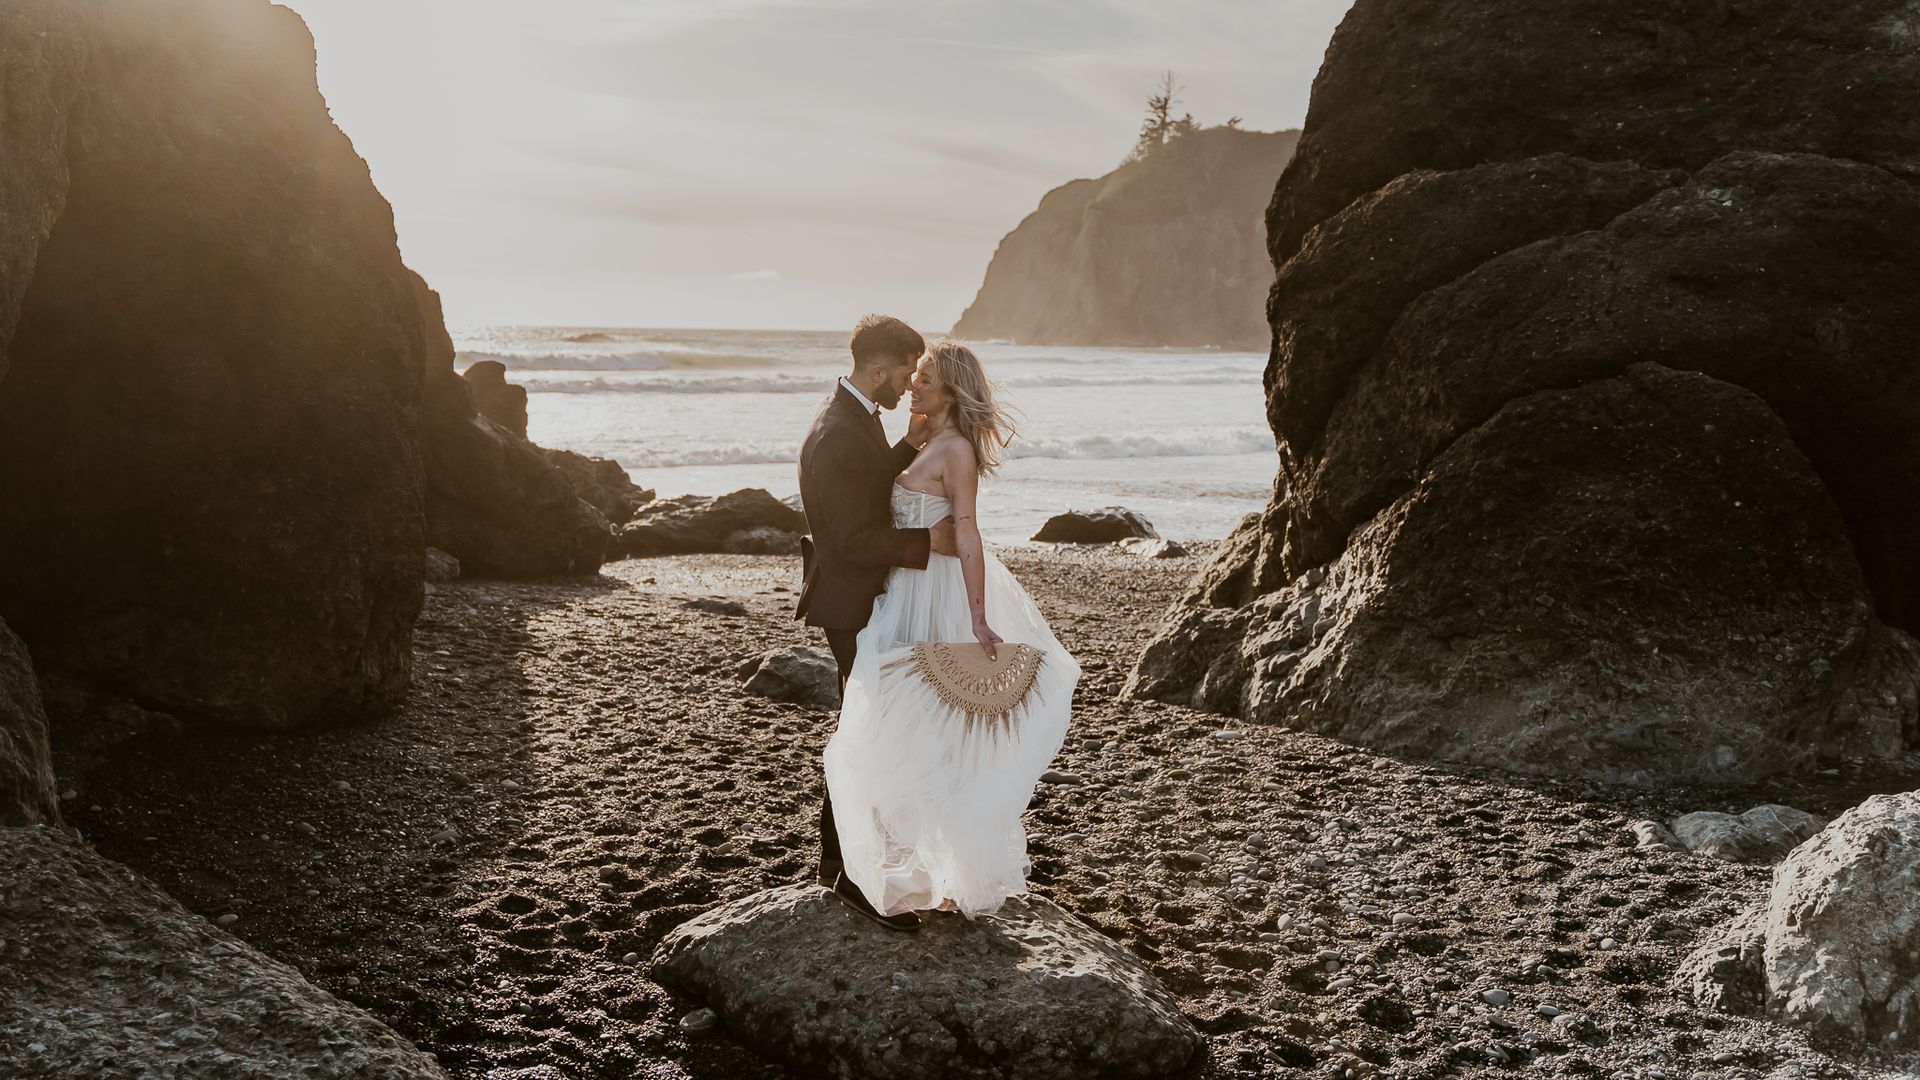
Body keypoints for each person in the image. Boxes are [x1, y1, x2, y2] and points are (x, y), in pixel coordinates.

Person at [822, 341, 1080, 929]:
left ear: (951, 392)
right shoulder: (927, 442)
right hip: (903, 586)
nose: (913, 385)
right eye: (913, 376)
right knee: (893, 718)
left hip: (933, 590)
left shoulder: (956, 449)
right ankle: (876, 864)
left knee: (933, 726)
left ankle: (940, 867)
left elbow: (968, 532)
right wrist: (909, 440)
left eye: (926, 379)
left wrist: (978, 615)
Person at [795, 314, 957, 931]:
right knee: (863, 737)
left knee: (864, 732)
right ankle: (845, 873)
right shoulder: (837, 433)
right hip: (852, 602)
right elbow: (853, 537)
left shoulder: (854, 419)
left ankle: (839, 865)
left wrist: (908, 444)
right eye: (906, 375)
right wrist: (929, 542)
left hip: (859, 598)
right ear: (879, 368)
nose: (907, 388)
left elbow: (864, 488)